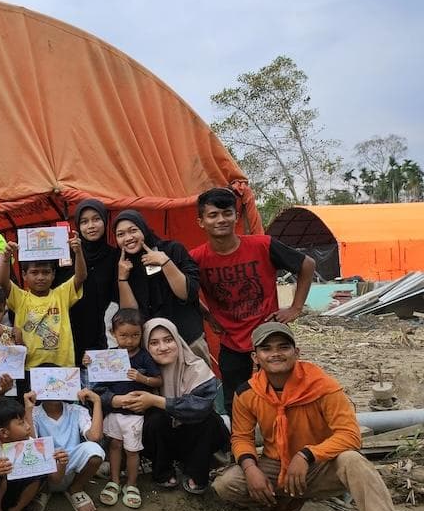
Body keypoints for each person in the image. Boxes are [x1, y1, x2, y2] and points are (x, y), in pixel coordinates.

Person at [212, 322, 414, 511]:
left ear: (297, 352)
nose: (275, 353)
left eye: (283, 347)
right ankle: (285, 501)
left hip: (321, 464)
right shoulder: (247, 393)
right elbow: (241, 437)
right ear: (256, 357)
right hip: (277, 465)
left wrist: (307, 454)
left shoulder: (322, 386)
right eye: (267, 349)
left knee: (353, 461)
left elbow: (350, 435)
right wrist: (251, 468)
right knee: (227, 483)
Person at [190, 188, 315, 413]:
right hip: (231, 342)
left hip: (270, 337)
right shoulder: (197, 258)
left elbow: (307, 264)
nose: (221, 220)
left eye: (227, 213)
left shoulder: (262, 245)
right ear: (201, 221)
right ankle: (240, 447)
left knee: (285, 398)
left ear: (236, 217)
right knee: (235, 402)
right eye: (213, 215)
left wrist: (296, 308)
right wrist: (207, 315)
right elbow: (183, 289)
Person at [101, 318, 229, 495]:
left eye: (168, 340)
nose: (163, 347)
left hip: (194, 437)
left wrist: (155, 400)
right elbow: (101, 390)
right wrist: (115, 399)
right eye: (154, 343)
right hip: (161, 440)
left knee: (209, 421)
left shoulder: (196, 367)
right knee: (155, 419)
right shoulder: (138, 368)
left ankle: (197, 473)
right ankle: (162, 471)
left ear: (178, 340)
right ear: (146, 345)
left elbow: (200, 406)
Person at [112, 210, 208, 364]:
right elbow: (131, 314)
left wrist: (165, 262)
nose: (128, 238)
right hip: (152, 348)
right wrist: (122, 278)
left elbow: (187, 293)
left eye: (133, 230)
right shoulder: (121, 265)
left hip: (188, 340)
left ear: (143, 229)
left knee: (199, 387)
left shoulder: (172, 249)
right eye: (120, 234)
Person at [87, 308, 160, 509]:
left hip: (135, 414)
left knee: (133, 450)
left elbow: (157, 380)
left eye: (135, 335)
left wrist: (141, 378)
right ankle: (114, 481)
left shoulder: (144, 357)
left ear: (141, 334)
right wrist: (89, 363)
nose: (129, 341)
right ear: (113, 333)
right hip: (114, 412)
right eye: (124, 336)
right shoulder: (109, 355)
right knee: (115, 446)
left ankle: (132, 484)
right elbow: (98, 383)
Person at [0, 229, 85, 368]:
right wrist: (6, 257)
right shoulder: (20, 298)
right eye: (34, 272)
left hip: (61, 365)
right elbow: (3, 282)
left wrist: (78, 252)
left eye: (46, 272)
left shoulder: (61, 295)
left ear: (53, 274)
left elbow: (80, 277)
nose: (40, 277)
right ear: (24, 275)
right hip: (27, 366)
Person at [31, 385, 105, 511]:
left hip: (72, 464)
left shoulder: (76, 410)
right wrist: (28, 408)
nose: (53, 390)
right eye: (46, 385)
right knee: (32, 452)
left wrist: (97, 401)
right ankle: (44, 489)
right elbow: (30, 443)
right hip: (48, 466)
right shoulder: (33, 413)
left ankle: (76, 488)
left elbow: (94, 436)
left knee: (95, 451)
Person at [66, 199, 120, 362]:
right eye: (84, 221)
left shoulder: (115, 256)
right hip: (72, 330)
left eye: (96, 219)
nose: (91, 226)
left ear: (105, 221)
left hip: (105, 332)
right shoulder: (66, 257)